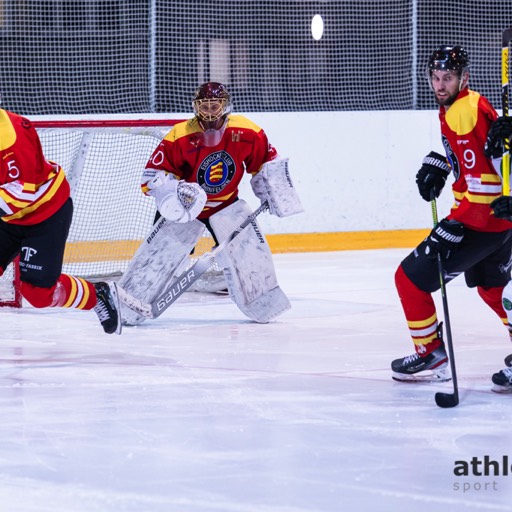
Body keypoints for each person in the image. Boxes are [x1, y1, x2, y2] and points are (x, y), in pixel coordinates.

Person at [118, 81, 303, 325]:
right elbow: (153, 176)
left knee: (249, 254)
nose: (209, 112)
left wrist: (273, 191)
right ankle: (127, 304)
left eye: (214, 106)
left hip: (227, 204)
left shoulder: (247, 132)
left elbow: (266, 162)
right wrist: (173, 193)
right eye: (203, 106)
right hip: (186, 209)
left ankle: (263, 300)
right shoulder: (179, 134)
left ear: (225, 106)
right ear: (195, 107)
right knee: (157, 256)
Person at [391, 45, 512, 388]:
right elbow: (488, 157)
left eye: (448, 78)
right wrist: (441, 163)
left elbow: (484, 174)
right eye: (435, 77)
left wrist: (458, 224)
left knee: (409, 280)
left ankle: (430, 352)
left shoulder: (463, 111)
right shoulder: (467, 105)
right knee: (493, 290)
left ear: (464, 79)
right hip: (500, 222)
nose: (440, 84)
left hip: (480, 220)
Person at [0, 108, 121, 334]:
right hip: (9, 214)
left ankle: (97, 295)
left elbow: (23, 192)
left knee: (38, 294)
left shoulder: (11, 133)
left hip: (45, 213)